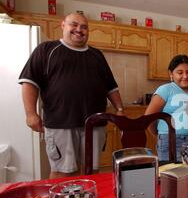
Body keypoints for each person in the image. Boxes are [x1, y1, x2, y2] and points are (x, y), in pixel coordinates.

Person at [18, 12, 125, 179]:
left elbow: (111, 87)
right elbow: (29, 82)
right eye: (74, 25)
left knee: (92, 171)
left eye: (84, 27)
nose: (79, 30)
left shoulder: (97, 55)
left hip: (94, 125)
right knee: (64, 172)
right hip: (61, 124)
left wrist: (119, 109)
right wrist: (30, 114)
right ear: (63, 25)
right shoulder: (46, 50)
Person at [145, 54, 188, 161]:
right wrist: (158, 133)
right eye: (180, 72)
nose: (185, 76)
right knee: (171, 175)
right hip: (171, 140)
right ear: (171, 73)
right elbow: (148, 118)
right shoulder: (165, 90)